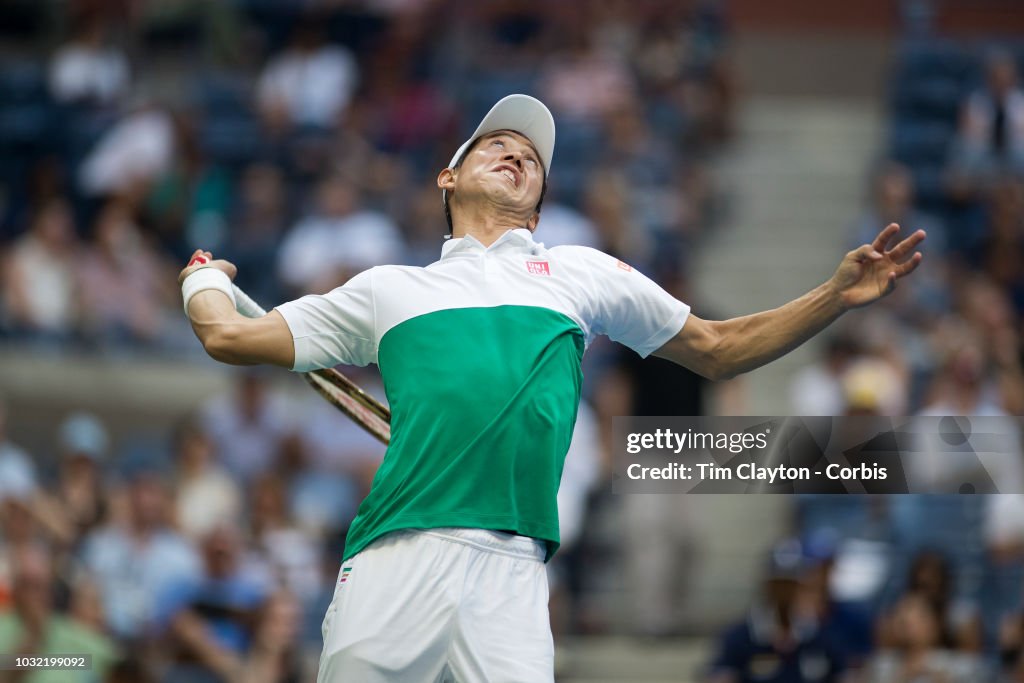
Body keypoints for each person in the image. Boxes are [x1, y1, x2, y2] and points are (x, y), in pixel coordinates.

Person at [177, 94, 926, 681]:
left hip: (513, 573)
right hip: (394, 556)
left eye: (531, 155)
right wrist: (203, 279)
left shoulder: (579, 272)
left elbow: (720, 348)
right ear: (449, 175)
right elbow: (230, 334)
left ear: (536, 201)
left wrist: (832, 295)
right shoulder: (386, 289)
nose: (515, 152)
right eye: (495, 143)